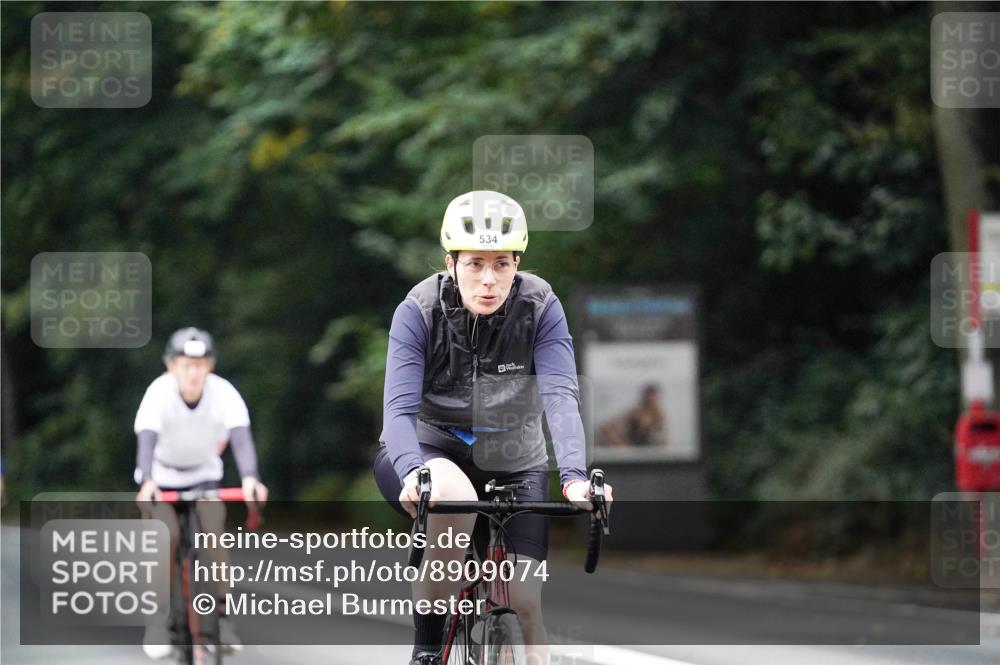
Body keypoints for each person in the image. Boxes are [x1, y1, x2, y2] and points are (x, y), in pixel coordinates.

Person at [373, 190, 614, 665]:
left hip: (513, 456)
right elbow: (397, 412)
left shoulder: (540, 306)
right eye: (475, 264)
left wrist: (574, 477)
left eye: (502, 264)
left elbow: (560, 396)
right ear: (451, 262)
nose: (489, 280)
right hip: (429, 446)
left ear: (517, 263)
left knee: (524, 602)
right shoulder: (418, 310)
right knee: (451, 500)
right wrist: (411, 472)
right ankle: (425, 652)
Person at [134, 327, 269, 659]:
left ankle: (223, 620)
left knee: (214, 537)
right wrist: (147, 481)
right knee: (165, 539)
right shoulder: (158, 393)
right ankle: (158, 621)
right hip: (163, 478)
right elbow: (146, 439)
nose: (192, 372)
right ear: (172, 366)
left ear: (209, 366)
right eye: (185, 364)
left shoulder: (224, 393)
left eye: (199, 364)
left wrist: (251, 478)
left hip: (204, 477)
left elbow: (240, 438)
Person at [599, 383, 669, 448]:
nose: (651, 401)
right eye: (649, 398)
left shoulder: (659, 415)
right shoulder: (636, 412)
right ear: (645, 398)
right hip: (633, 451)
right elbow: (606, 429)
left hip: (649, 453)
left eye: (654, 398)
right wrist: (623, 447)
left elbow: (664, 440)